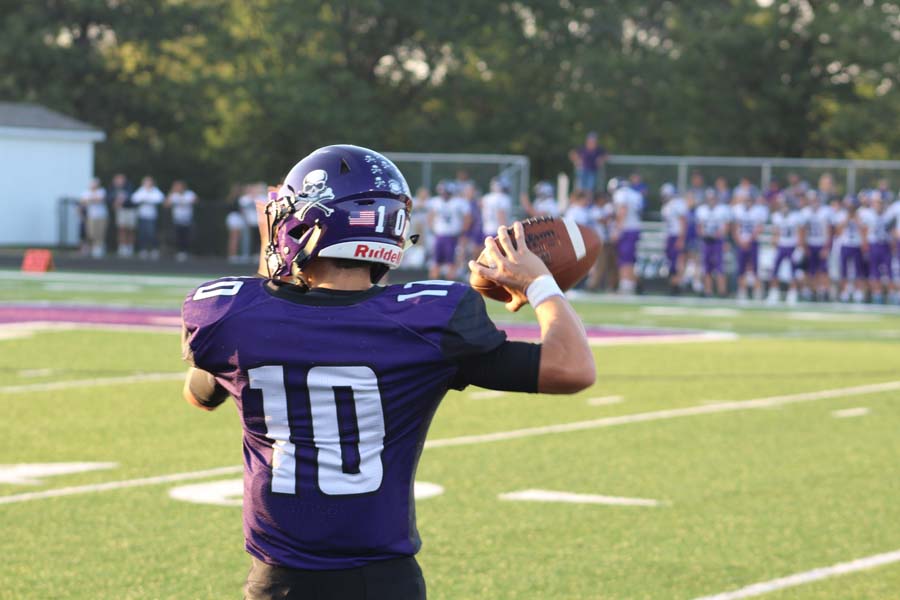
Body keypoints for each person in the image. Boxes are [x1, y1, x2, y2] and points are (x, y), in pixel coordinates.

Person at [180, 144, 595, 600]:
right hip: (382, 582)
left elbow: (200, 393)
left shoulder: (230, 314)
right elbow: (572, 367)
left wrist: (271, 256)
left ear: (306, 223)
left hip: (277, 583)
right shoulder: (429, 319)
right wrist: (538, 281)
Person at [426, 181, 470, 279]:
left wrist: (462, 231)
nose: (444, 194)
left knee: (451, 263)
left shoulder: (458, 202)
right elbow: (430, 216)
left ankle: (449, 286)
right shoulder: (435, 202)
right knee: (435, 263)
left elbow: (467, 217)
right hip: (439, 236)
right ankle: (432, 285)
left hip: (452, 236)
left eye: (446, 192)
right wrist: (432, 228)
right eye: (443, 192)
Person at [767, 195, 806, 305]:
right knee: (775, 270)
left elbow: (800, 233)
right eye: (782, 205)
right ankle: (774, 293)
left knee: (793, 272)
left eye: (785, 205)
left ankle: (792, 294)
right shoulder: (776, 216)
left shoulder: (796, 216)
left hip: (792, 246)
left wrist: (800, 248)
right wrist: (773, 247)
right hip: (780, 246)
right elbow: (775, 233)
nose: (784, 207)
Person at [730, 189, 768, 300]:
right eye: (746, 199)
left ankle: (757, 292)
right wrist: (739, 240)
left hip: (753, 242)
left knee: (755, 267)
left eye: (750, 200)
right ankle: (742, 291)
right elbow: (735, 227)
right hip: (741, 242)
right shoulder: (737, 210)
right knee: (741, 268)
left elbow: (759, 228)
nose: (748, 202)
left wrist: (749, 239)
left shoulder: (759, 211)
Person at [695, 188, 731, 297]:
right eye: (709, 198)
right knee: (706, 268)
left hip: (718, 241)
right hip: (706, 241)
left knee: (719, 267)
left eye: (713, 198)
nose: (711, 200)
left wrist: (719, 236)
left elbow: (726, 226)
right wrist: (704, 235)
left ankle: (722, 291)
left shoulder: (722, 209)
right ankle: (708, 291)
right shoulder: (701, 210)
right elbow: (699, 227)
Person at [609, 177, 642, 294]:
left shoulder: (621, 194)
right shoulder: (635, 194)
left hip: (627, 229)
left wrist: (617, 230)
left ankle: (626, 284)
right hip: (635, 228)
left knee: (624, 258)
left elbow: (623, 210)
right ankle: (632, 283)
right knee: (630, 259)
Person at [801, 189, 833, 301]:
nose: (814, 202)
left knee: (823, 270)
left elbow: (829, 231)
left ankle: (824, 292)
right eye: (812, 200)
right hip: (810, 243)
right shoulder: (805, 212)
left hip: (821, 243)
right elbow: (802, 230)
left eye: (815, 199)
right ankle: (812, 291)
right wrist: (804, 246)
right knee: (810, 270)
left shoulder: (826, 211)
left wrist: (826, 247)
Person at [861, 194, 893, 304]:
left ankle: (891, 295)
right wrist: (865, 246)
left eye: (880, 203)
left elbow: (891, 231)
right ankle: (877, 294)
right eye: (876, 202)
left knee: (889, 271)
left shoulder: (888, 215)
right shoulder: (868, 214)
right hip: (873, 244)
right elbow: (864, 231)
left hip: (885, 244)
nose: (878, 205)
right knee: (874, 271)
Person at [659, 183, 688, 293]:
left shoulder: (677, 204)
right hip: (670, 235)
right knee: (671, 261)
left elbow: (683, 221)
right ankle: (673, 284)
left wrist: (681, 238)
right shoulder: (666, 206)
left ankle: (677, 284)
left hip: (676, 235)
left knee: (677, 261)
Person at [131, 176, 164, 259]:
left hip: (152, 217)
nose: (148, 184)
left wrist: (146, 199)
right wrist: (147, 199)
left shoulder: (155, 190)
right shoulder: (141, 190)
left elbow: (160, 198)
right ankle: (143, 250)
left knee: (151, 233)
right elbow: (134, 198)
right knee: (142, 233)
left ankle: (154, 250)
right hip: (142, 216)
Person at [166, 180, 197, 261]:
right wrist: (172, 192)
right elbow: (166, 204)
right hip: (177, 220)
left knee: (187, 237)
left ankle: (186, 252)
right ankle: (179, 252)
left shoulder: (189, 194)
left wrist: (184, 201)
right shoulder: (174, 195)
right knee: (178, 237)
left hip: (187, 220)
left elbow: (196, 200)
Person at [568, 132, 607, 196]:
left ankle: (587, 202)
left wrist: (601, 160)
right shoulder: (582, 148)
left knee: (589, 188)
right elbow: (572, 154)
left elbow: (606, 155)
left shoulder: (599, 149)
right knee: (580, 187)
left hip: (592, 171)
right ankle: (579, 202)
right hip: (582, 170)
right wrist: (577, 160)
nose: (593, 142)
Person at [80, 178, 107, 258]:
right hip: (91, 216)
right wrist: (92, 200)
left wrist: (90, 200)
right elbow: (83, 201)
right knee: (91, 233)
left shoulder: (102, 191)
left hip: (101, 216)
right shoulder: (86, 192)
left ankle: (98, 248)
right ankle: (93, 247)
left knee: (100, 232)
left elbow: (99, 200)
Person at [111, 173, 136, 257]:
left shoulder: (129, 187)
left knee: (130, 229)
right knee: (121, 229)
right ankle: (122, 247)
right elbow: (110, 197)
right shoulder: (113, 188)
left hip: (129, 210)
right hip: (121, 211)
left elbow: (131, 198)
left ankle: (130, 247)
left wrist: (122, 201)